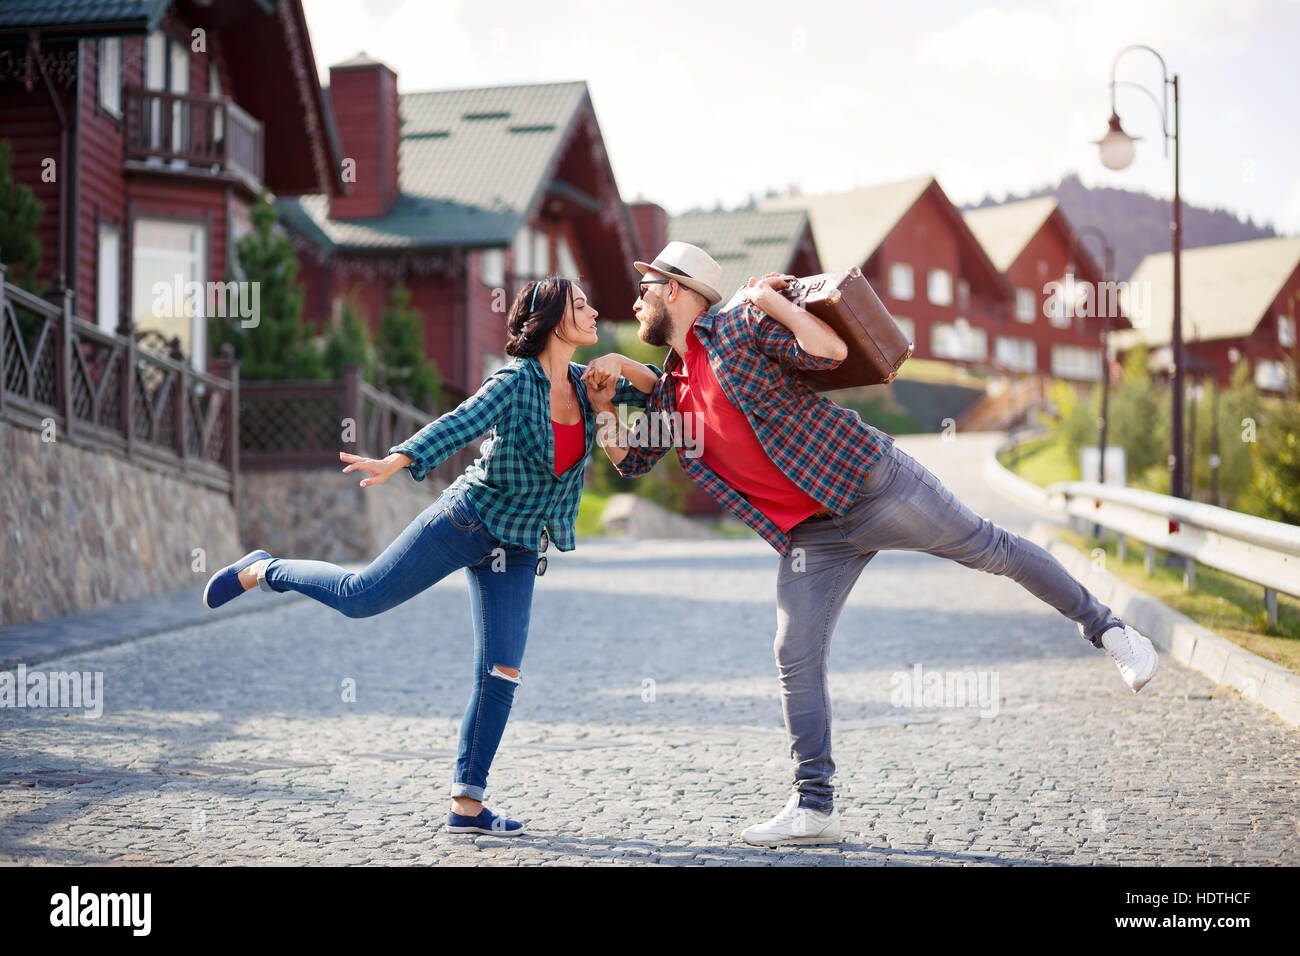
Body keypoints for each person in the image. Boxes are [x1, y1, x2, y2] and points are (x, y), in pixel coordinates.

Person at [588, 241, 1158, 847]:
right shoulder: (673, 390)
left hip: (870, 482)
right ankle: (815, 807)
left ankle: (1111, 631)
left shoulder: (742, 327)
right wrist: (604, 408)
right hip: (812, 538)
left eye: (646, 287)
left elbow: (829, 351)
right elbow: (631, 460)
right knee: (794, 652)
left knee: (992, 549)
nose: (636, 297)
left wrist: (771, 305)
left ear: (676, 291)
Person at [202, 276, 658, 836]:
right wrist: (398, 459)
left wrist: (617, 359)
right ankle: (264, 569)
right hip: (465, 520)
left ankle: (467, 805)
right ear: (551, 319)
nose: (592, 312)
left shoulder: (593, 381)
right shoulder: (517, 382)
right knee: (359, 597)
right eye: (580, 305)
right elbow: (462, 420)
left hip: (516, 547)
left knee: (502, 672)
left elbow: (654, 387)